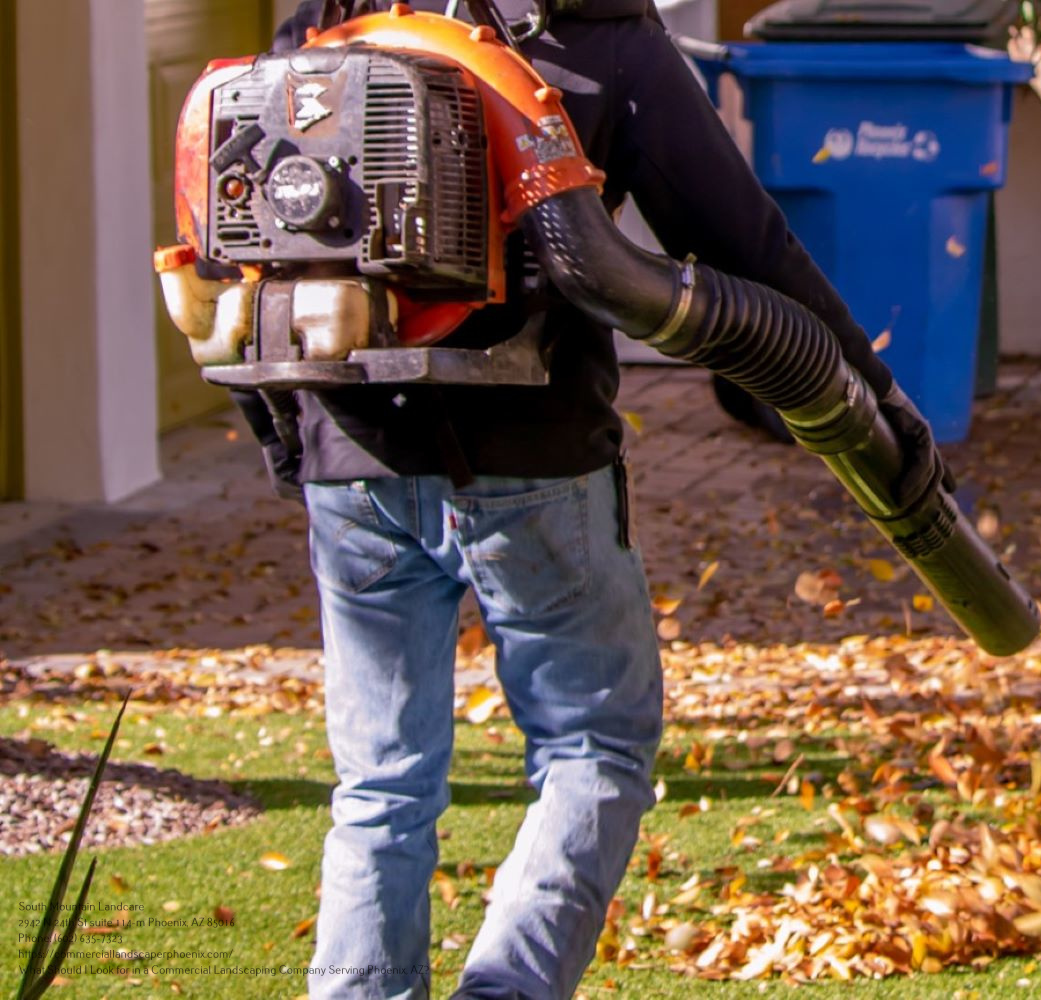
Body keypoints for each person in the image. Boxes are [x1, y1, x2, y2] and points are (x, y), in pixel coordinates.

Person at [243, 1, 928, 997]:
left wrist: (284, 434)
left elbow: (253, 236)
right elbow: (743, 242)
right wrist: (864, 397)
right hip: (535, 451)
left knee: (380, 781)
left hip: (351, 454)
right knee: (596, 745)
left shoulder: (327, 21)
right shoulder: (596, 29)